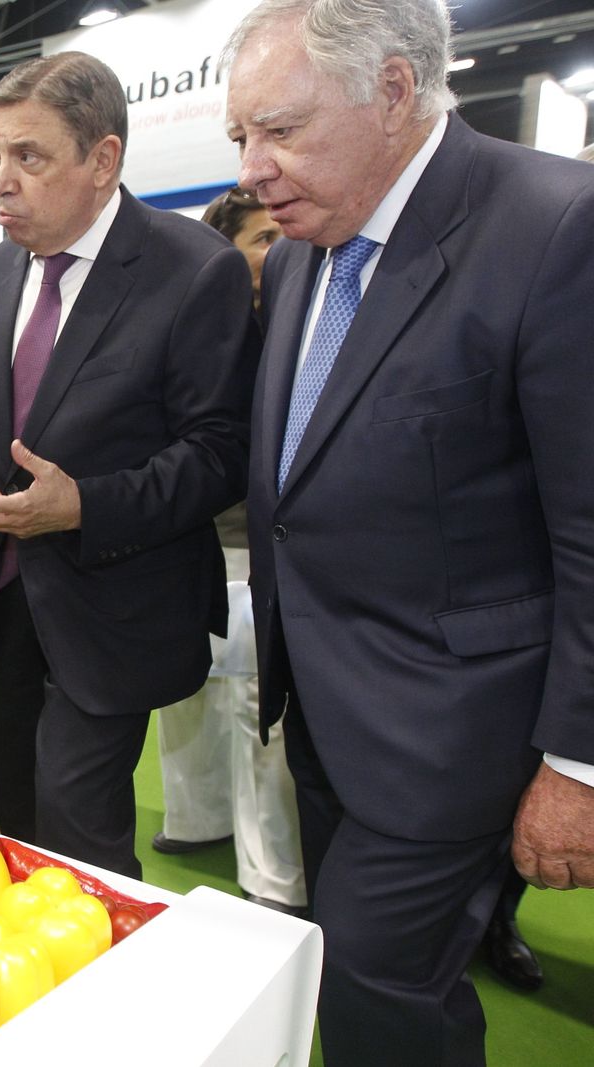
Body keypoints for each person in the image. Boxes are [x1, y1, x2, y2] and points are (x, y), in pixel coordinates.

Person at [224, 1, 594, 1062]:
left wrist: (576, 762)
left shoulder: (554, 227)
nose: (254, 166)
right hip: (331, 722)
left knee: (374, 983)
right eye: (241, 135)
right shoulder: (303, 250)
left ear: (393, 91)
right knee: (390, 992)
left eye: (281, 129)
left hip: (458, 732)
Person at [0, 52, 257, 876]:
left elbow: (220, 454)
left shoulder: (193, 270)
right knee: (13, 814)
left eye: (28, 157)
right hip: (3, 593)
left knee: (77, 834)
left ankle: (111, 986)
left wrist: (85, 505)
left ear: (103, 160)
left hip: (112, 601)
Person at [151, 186, 306, 917]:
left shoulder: (292, 327)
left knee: (255, 710)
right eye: (265, 237)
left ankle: (270, 870)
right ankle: (195, 817)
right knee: (184, 699)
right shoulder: (198, 329)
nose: (281, 250)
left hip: (258, 552)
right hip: (190, 542)